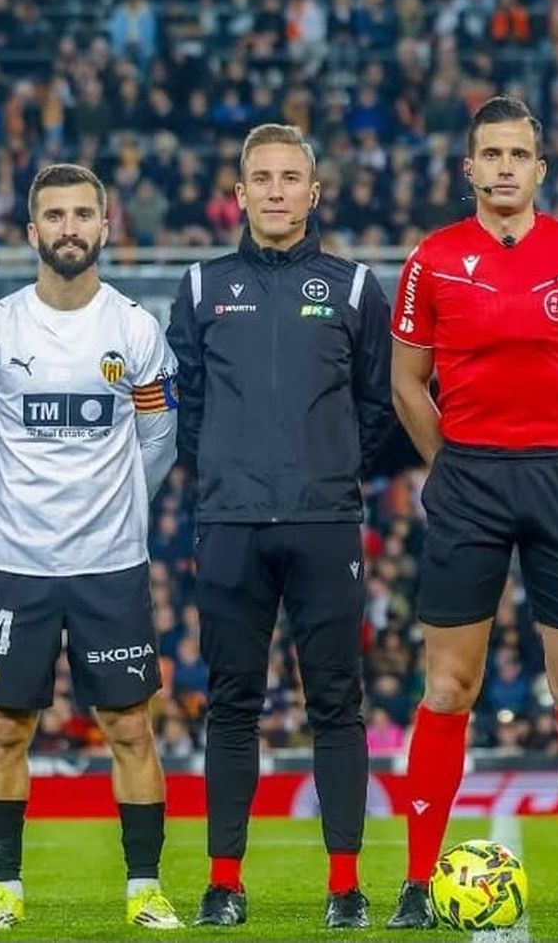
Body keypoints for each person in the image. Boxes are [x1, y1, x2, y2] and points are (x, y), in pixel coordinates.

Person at [387, 95, 558, 931]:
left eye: (517, 155)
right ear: (469, 169)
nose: (503, 167)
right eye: (489, 155)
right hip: (470, 478)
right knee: (449, 687)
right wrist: (450, 466)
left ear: (540, 168)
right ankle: (418, 885)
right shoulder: (433, 259)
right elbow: (405, 384)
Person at [166, 123, 392, 930]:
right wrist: (225, 471)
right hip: (228, 522)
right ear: (239, 193)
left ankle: (345, 888)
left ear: (313, 192)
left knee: (337, 705)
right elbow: (184, 407)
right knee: (231, 705)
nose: (274, 190)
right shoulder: (198, 288)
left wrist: (327, 473)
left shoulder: (359, 286)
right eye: (260, 177)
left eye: (289, 178)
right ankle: (224, 883)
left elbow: (378, 406)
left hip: (326, 521)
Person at [0, 164, 182, 931]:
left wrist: (110, 512)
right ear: (32, 231)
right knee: (5, 728)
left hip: (110, 566)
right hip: (16, 566)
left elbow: (158, 441)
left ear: (105, 226)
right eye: (54, 215)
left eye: (83, 213)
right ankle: (3, 891)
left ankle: (145, 890)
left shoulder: (135, 330)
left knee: (130, 728)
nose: (69, 228)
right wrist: (26, 516)